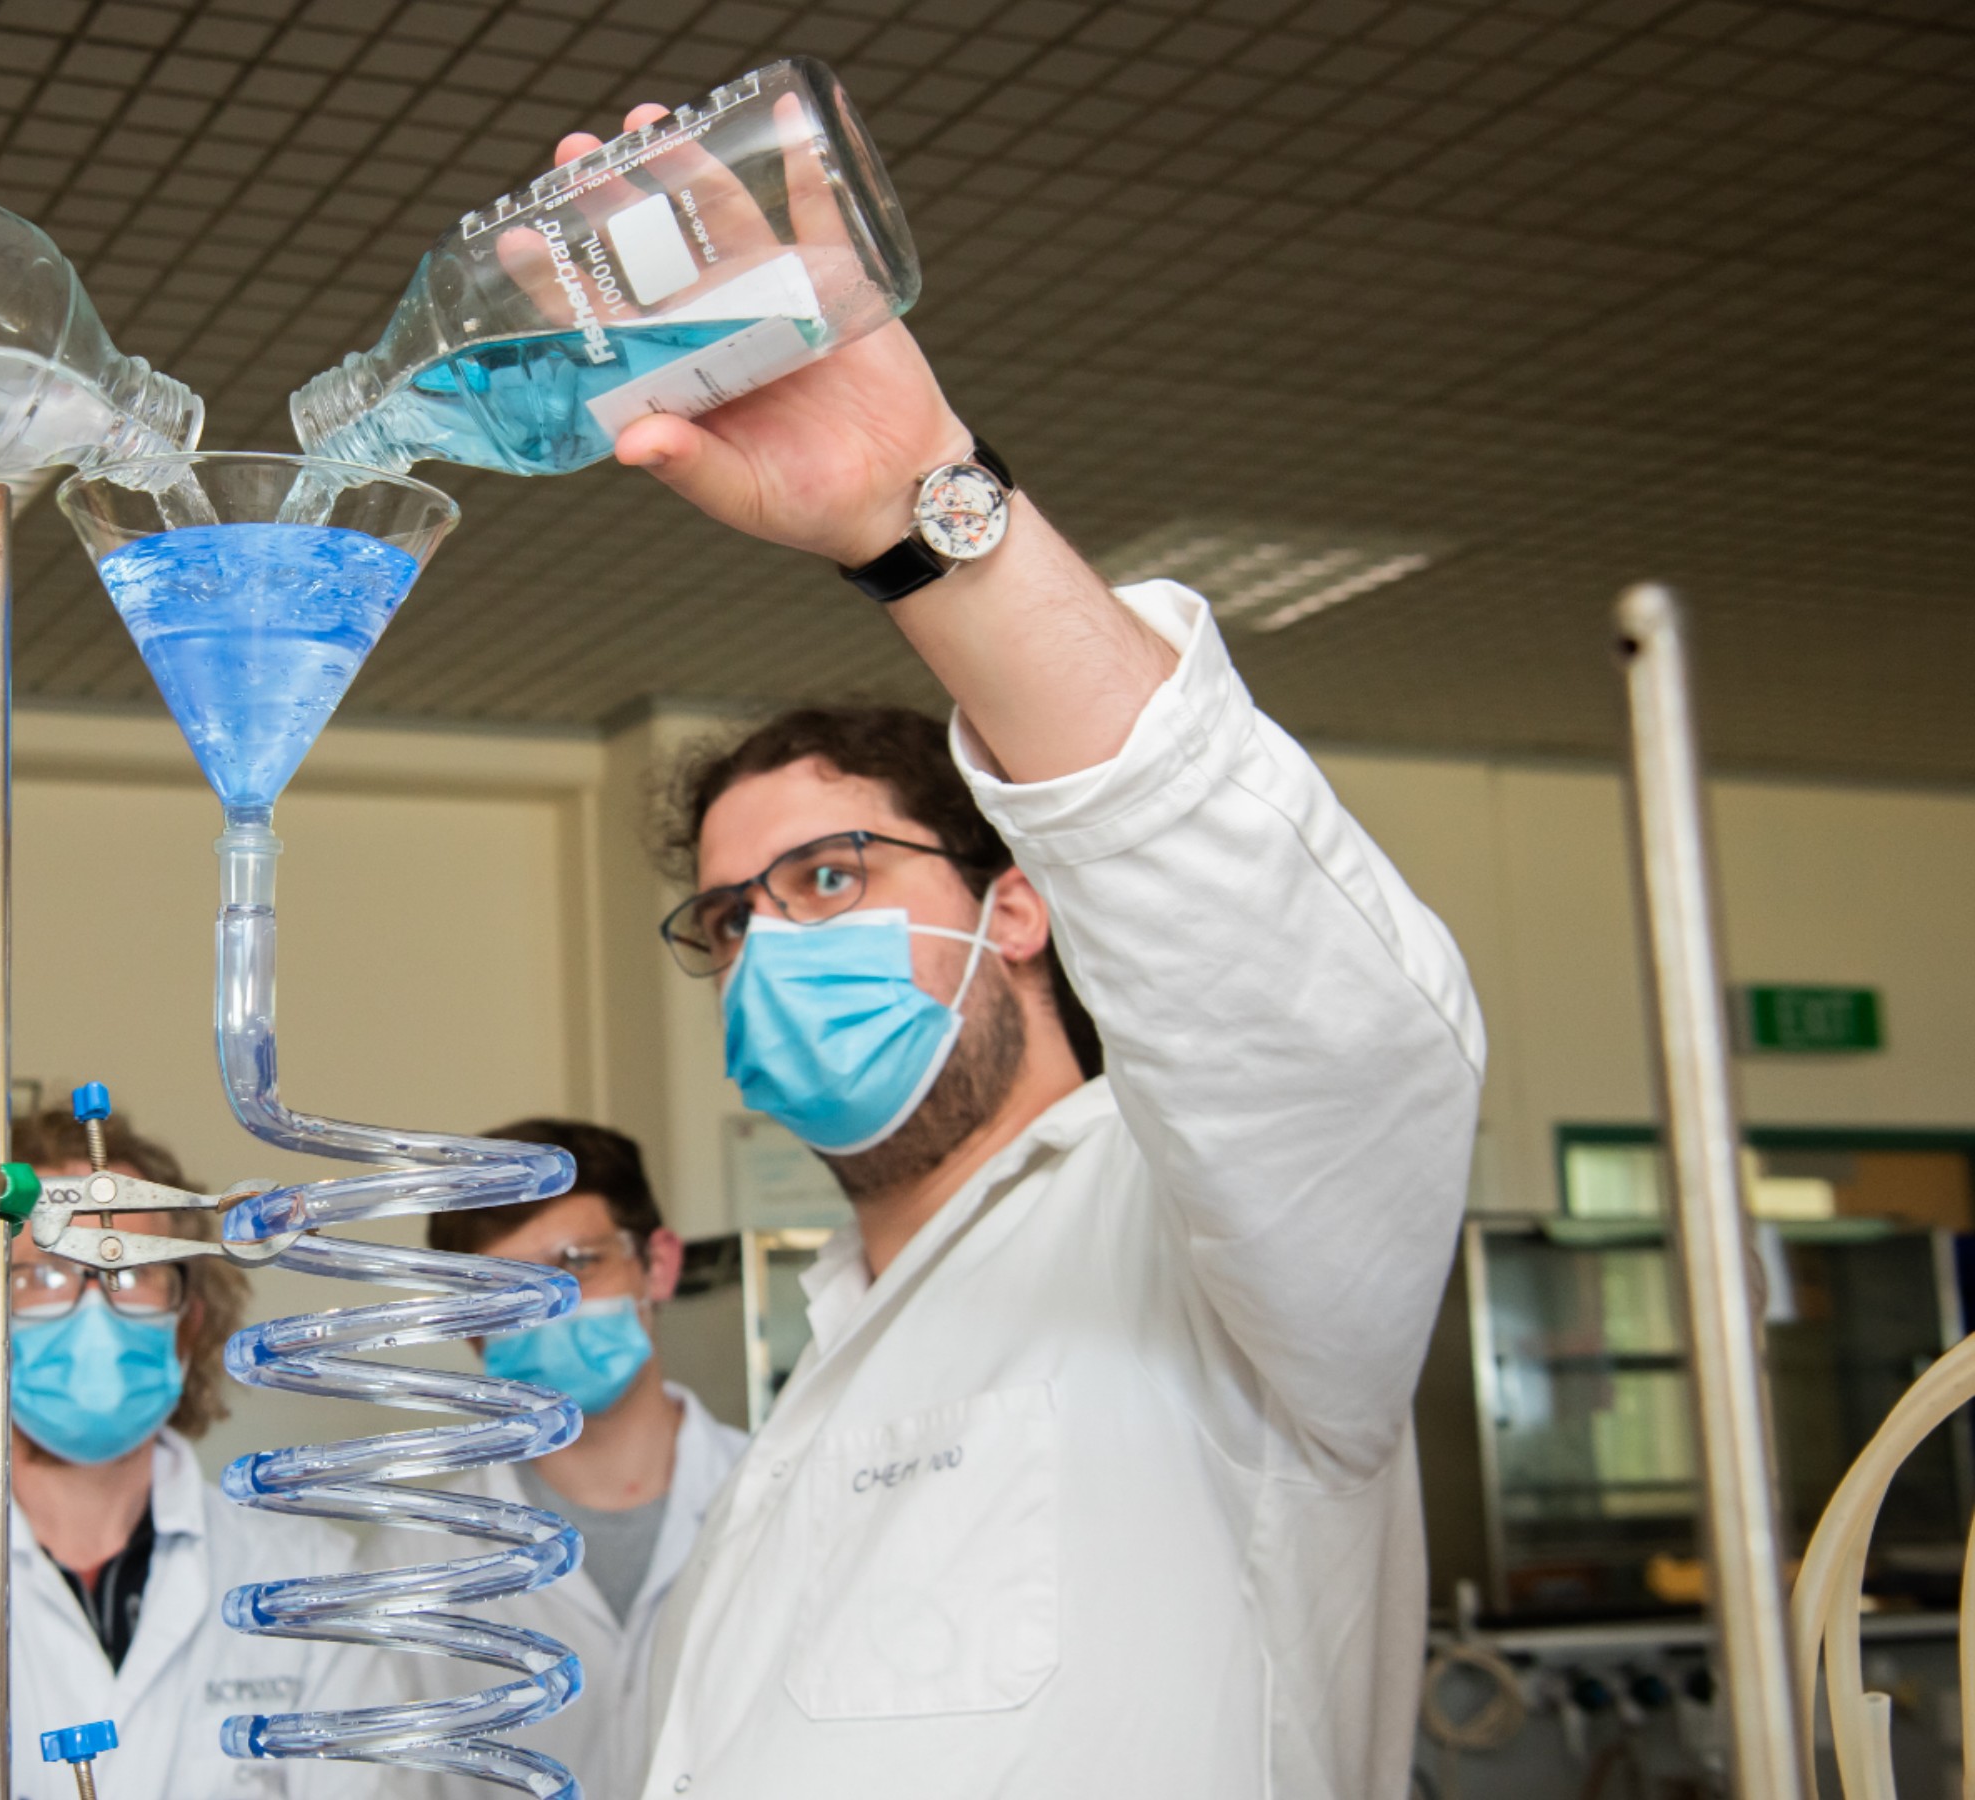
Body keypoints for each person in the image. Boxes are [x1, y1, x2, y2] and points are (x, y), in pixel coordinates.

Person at [514, 102, 1487, 1800]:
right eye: (735, 918)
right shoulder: (825, 1360)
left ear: (1017, 904)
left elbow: (1303, 1021)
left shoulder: (1202, 1237)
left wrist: (917, 517)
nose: (768, 950)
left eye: (828, 880)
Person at [0, 1108, 398, 1800]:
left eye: (129, 1274)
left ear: (186, 1326)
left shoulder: (312, 1585)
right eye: (40, 1278)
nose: (92, 1311)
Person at [414, 1120, 744, 1800]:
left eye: (576, 1263)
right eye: (502, 1287)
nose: (545, 1308)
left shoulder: (779, 1498)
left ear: (658, 1264)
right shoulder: (413, 1561)